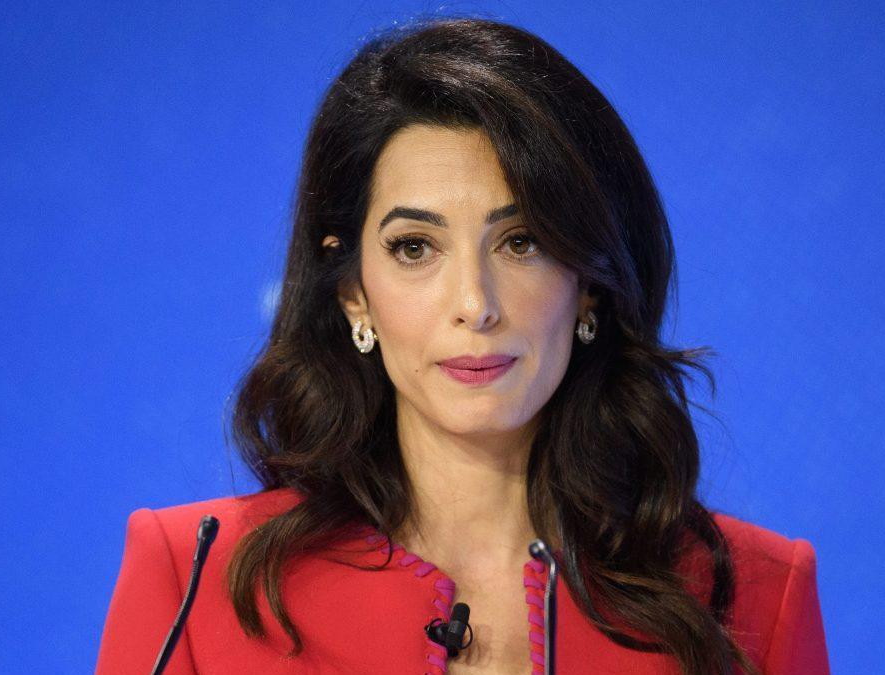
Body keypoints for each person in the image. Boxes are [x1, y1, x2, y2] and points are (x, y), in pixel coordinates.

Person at [95, 16, 830, 675]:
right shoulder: (194, 579)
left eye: (522, 242)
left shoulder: (755, 596)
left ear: (590, 284)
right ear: (353, 292)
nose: (475, 305)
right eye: (415, 247)